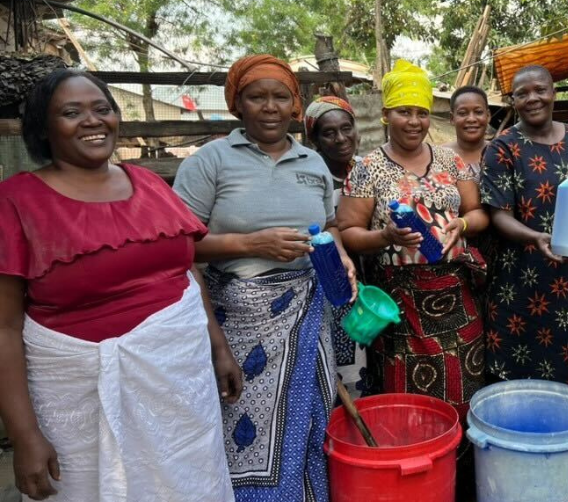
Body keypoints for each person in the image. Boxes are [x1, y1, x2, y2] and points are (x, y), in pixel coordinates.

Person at [0, 69, 239, 502]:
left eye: (101, 108)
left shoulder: (147, 183)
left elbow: (186, 270)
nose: (92, 120)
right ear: (43, 128)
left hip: (180, 384)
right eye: (71, 112)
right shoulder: (16, 202)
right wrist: (24, 435)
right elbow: (3, 328)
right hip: (77, 397)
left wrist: (217, 346)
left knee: (188, 481)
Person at [174, 55, 356, 502]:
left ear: (295, 105)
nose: (270, 107)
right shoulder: (210, 162)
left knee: (311, 417)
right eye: (257, 97)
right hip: (240, 314)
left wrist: (344, 256)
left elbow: (329, 226)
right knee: (242, 425)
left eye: (281, 97)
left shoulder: (312, 162)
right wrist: (253, 244)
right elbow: (179, 247)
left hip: (309, 306)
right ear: (238, 104)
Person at [338, 59, 489, 419]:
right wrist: (384, 236)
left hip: (456, 292)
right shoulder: (368, 168)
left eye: (421, 113)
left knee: (464, 387)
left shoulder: (451, 162)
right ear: (387, 114)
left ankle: (459, 469)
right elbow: (347, 232)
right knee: (406, 398)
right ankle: (413, 466)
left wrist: (462, 226)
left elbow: (479, 213)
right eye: (405, 111)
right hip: (400, 303)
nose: (415, 121)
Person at [480, 64, 568, 387]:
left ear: (553, 93)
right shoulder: (502, 148)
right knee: (516, 375)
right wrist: (535, 238)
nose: (532, 98)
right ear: (513, 101)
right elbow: (498, 214)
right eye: (522, 93)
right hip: (518, 278)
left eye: (540, 90)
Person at [305, 95, 367, 399]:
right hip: (335, 284)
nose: (341, 138)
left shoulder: (368, 168)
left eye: (347, 128)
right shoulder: (309, 176)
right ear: (314, 139)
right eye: (329, 132)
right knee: (344, 367)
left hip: (375, 282)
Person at [443, 85, 490, 183]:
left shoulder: (501, 154)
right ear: (452, 118)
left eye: (478, 112)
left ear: (488, 116)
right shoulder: (439, 157)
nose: (471, 119)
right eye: (463, 113)